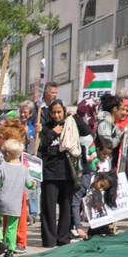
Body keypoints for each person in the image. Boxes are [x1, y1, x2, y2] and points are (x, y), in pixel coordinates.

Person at [37, 101, 81, 247]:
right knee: (48, 207)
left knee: (66, 206)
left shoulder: (70, 124)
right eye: (54, 112)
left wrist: (76, 117)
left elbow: (86, 131)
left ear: (63, 111)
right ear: (50, 113)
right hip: (50, 173)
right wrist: (51, 133)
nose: (56, 115)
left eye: (59, 112)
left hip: (67, 172)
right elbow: (40, 146)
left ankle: (63, 237)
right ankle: (49, 239)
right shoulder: (45, 128)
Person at [0, 139, 27, 257]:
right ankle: (10, 250)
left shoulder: (3, 166)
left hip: (3, 200)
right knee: (12, 227)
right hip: (16, 203)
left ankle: (1, 241)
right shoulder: (24, 169)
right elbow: (31, 184)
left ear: (7, 154)